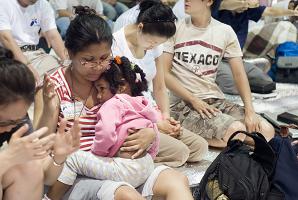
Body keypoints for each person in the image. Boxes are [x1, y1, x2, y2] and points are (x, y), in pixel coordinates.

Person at [35, 6, 194, 200]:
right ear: (69, 53)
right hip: (75, 174)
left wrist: (150, 131)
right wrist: (50, 109)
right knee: (124, 194)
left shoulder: (114, 76)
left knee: (177, 180)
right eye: (88, 60)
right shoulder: (54, 85)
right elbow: (40, 147)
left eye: (104, 58)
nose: (98, 66)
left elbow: (137, 108)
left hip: (115, 164)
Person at [47, 56, 163, 199]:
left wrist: (98, 154)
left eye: (102, 89)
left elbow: (107, 134)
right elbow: (154, 129)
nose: (99, 95)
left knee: (71, 157)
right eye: (97, 89)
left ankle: (49, 198)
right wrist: (151, 152)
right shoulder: (141, 101)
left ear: (120, 87)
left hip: (125, 168)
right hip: (146, 164)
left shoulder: (111, 104)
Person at [162, 0, 275, 148]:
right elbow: (164, 73)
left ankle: (237, 139)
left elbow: (239, 74)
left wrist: (250, 111)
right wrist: (193, 99)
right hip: (182, 104)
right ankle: (185, 133)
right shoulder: (175, 28)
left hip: (214, 100)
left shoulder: (225, 31)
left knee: (266, 131)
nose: (186, 0)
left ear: (209, 1)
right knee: (235, 131)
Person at [112, 0, 208, 167]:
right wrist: (155, 123)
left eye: (158, 44)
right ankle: (128, 157)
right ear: (140, 27)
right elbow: (120, 98)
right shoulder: (116, 46)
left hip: (152, 113)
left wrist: (166, 117)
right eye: (152, 42)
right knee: (180, 153)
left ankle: (154, 146)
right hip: (131, 118)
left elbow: (160, 87)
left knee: (200, 148)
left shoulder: (154, 43)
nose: (153, 47)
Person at [0, 46, 81, 200]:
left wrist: (59, 156)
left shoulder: (18, 121)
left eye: (17, 119)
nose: (11, 126)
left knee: (30, 169)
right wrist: (7, 158)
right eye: (4, 122)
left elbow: (45, 176)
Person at [0, 0, 68, 83]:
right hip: (9, 55)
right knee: (38, 82)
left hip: (36, 53)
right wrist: (26, 65)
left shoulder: (43, 4)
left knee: (64, 76)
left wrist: (67, 62)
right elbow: (5, 37)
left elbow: (53, 35)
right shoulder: (4, 3)